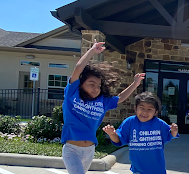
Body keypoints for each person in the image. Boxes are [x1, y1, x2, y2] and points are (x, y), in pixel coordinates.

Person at [61, 39, 144, 174]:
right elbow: (78, 68)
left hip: (89, 150)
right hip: (72, 149)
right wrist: (92, 51)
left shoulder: (102, 101)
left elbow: (121, 97)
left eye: (98, 86)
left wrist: (135, 83)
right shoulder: (73, 94)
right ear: (81, 84)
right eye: (91, 84)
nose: (96, 89)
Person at [103, 92, 179, 174]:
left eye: (149, 109)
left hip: (157, 169)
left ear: (156, 112)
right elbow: (118, 140)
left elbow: (169, 136)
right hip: (138, 169)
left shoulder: (159, 123)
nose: (145, 112)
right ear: (135, 108)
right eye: (141, 108)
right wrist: (112, 134)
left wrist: (174, 131)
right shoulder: (130, 122)